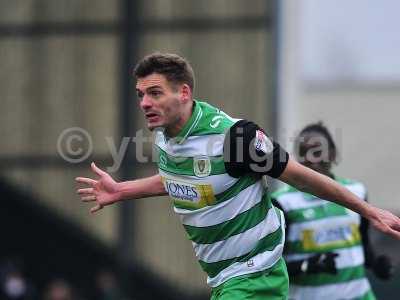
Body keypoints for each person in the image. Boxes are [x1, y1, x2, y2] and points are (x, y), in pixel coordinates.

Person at [76, 53, 400, 300]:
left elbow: (300, 177)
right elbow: (184, 180)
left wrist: (366, 210)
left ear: (184, 92)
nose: (145, 102)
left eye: (155, 93)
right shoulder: (165, 136)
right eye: (141, 94)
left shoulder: (236, 138)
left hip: (256, 272)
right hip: (224, 278)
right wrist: (122, 190)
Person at [272, 123, 393, 300]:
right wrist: (307, 265)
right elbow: (271, 266)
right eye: (305, 152)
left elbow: (363, 246)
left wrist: (376, 264)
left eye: (318, 151)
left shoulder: (357, 193)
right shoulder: (283, 202)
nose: (312, 159)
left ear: (333, 154)